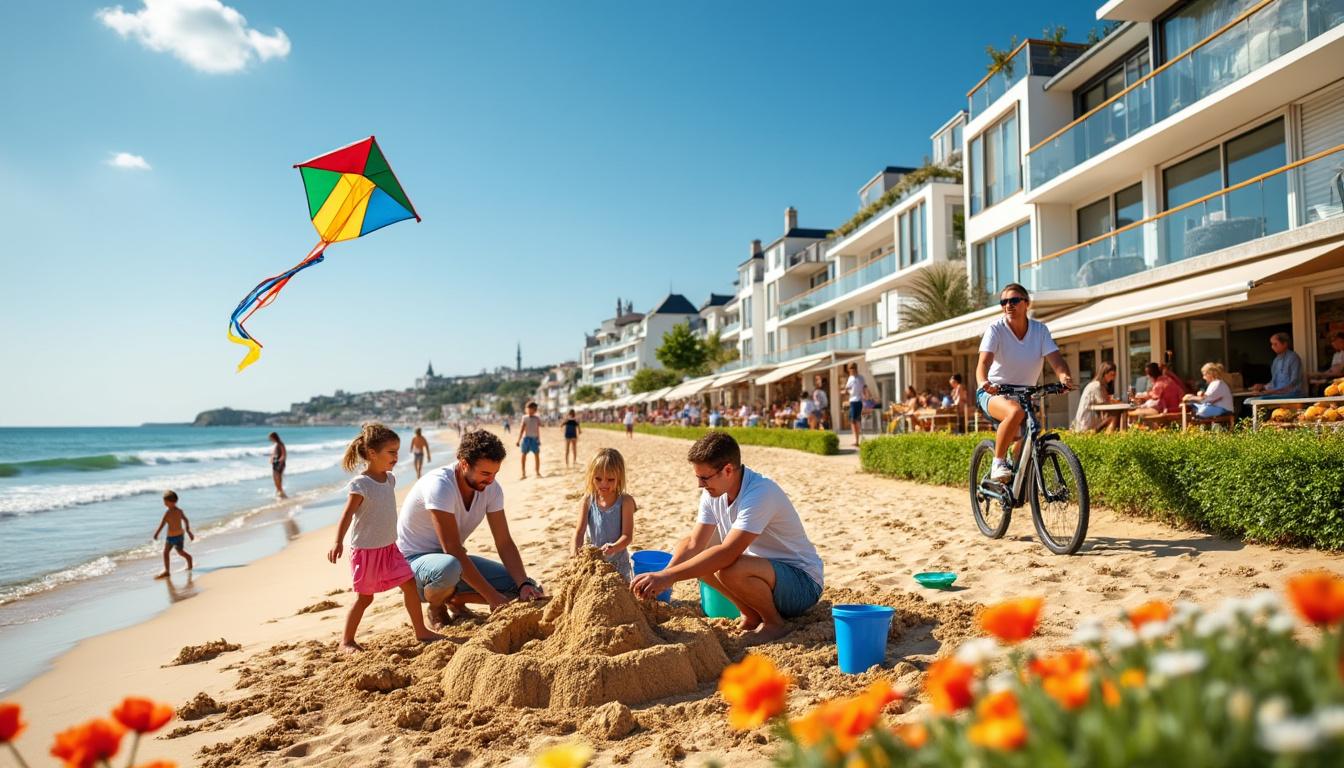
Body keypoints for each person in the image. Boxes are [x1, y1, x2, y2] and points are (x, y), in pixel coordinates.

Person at [630, 433, 823, 643]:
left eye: (704, 478)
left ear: (728, 470)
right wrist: (664, 576)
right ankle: (750, 614)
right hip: (765, 577)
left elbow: (728, 552)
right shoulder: (713, 493)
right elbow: (694, 544)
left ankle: (774, 623)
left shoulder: (760, 492)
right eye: (698, 477)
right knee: (690, 547)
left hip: (803, 585)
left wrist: (669, 577)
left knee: (729, 566)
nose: (700, 485)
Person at [397, 430, 543, 628]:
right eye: (485, 473)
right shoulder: (440, 486)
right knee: (448, 567)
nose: (490, 480)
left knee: (526, 587)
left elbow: (504, 542)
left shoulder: (492, 489)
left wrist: (524, 584)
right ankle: (436, 606)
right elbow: (452, 549)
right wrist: (493, 598)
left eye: (494, 473)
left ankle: (456, 600)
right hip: (414, 567)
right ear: (464, 463)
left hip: (454, 564)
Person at [328, 424, 442, 652]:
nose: (396, 457)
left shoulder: (390, 479)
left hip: (390, 548)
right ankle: (346, 641)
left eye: (397, 452)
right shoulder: (361, 484)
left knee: (409, 584)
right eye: (391, 452)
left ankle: (421, 631)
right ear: (372, 453)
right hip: (367, 551)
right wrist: (337, 541)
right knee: (364, 599)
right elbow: (347, 514)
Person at [976, 283, 1074, 482]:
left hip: (1024, 394)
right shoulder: (996, 329)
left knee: (1032, 430)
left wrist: (1064, 378)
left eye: (1014, 300)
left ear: (1026, 304)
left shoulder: (1039, 330)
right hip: (994, 392)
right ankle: (998, 462)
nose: (1008, 305)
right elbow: (983, 363)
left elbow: (1057, 360)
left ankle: (1014, 478)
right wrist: (984, 382)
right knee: (1014, 412)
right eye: (1004, 302)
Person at [570, 448, 636, 581]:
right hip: (594, 563)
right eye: (598, 479)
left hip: (618, 565)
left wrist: (614, 547)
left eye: (610, 479)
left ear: (619, 478)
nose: (603, 484)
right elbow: (579, 532)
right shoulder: (588, 500)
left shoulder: (625, 502)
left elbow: (627, 536)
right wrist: (574, 554)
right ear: (591, 477)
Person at [1250, 332, 1305, 399]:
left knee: (1261, 399)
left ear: (1285, 344)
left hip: (1293, 395)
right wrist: (1263, 387)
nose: (1272, 347)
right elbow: (1274, 382)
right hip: (1277, 394)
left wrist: (1272, 392)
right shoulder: (1276, 360)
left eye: (1275, 344)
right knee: (1251, 399)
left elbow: (1293, 383)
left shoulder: (1293, 358)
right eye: (1272, 344)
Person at [153, 490, 194, 578]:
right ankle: (189, 560)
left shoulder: (168, 513)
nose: (164, 503)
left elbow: (162, 524)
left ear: (171, 502)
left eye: (165, 502)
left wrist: (157, 533)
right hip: (180, 536)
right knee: (179, 552)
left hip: (171, 538)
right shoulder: (179, 511)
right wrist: (188, 531)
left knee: (166, 552)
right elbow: (186, 520)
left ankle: (167, 571)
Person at [1072, 362, 1120, 433]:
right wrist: (1114, 401)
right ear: (1104, 373)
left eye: (1114, 375)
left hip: (1087, 420)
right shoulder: (1096, 385)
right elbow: (1104, 404)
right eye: (1112, 375)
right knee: (1115, 415)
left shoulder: (1098, 385)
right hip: (1085, 423)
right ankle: (1109, 438)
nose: (1113, 378)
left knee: (1115, 415)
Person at [842, 362, 869, 447]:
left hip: (858, 401)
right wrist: (845, 392)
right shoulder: (850, 378)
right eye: (850, 369)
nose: (851, 371)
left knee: (855, 420)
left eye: (852, 369)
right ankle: (857, 439)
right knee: (854, 420)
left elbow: (864, 388)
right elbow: (847, 389)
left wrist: (866, 396)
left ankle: (857, 440)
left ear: (855, 369)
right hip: (853, 400)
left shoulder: (860, 378)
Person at [516, 402, 542, 478]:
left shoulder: (537, 418)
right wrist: (518, 440)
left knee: (536, 455)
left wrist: (538, 439)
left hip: (534, 439)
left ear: (535, 410)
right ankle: (523, 473)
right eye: (529, 409)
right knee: (523, 455)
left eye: (533, 409)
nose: (531, 411)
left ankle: (537, 472)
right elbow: (522, 430)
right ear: (527, 409)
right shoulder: (525, 418)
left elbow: (537, 429)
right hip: (526, 439)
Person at [268, 432, 287, 499]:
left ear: (274, 437)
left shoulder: (280, 444)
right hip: (275, 463)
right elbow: (273, 454)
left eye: (270, 438)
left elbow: (284, 454)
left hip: (280, 464)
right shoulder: (275, 444)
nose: (269, 439)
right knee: (274, 478)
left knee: (278, 478)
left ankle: (281, 492)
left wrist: (280, 461)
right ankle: (279, 491)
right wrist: (271, 459)